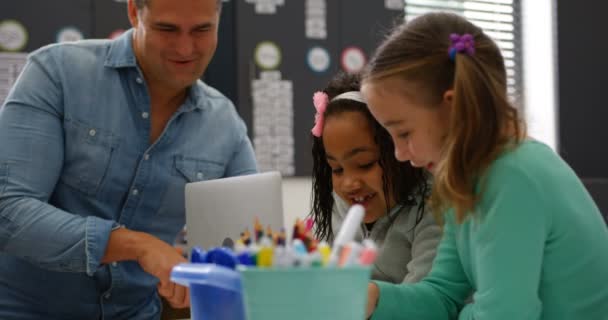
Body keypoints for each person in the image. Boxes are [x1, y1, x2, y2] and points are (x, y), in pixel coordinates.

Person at [0, 0, 257, 318]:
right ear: (134, 11)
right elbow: (8, 212)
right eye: (167, 29)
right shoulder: (58, 73)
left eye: (202, 30)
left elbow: (252, 242)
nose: (185, 47)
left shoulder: (225, 124)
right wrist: (137, 245)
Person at [361, 12, 608, 319]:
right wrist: (370, 298)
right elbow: (442, 295)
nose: (398, 153)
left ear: (452, 107)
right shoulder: (464, 181)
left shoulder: (511, 178)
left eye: (404, 133)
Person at [309, 72, 441, 283]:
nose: (349, 183)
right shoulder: (338, 204)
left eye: (365, 164)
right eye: (337, 169)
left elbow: (432, 300)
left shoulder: (432, 206)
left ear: (399, 153)